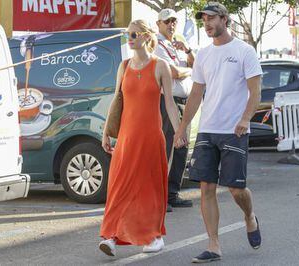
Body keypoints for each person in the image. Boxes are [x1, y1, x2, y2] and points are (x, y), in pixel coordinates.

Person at [174, 2, 263, 263]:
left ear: (225, 19)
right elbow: (195, 94)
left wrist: (246, 118)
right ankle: (213, 245)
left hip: (234, 129)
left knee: (236, 189)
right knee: (206, 188)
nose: (207, 23)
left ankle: (249, 217)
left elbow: (255, 91)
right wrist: (181, 128)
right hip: (208, 129)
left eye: (211, 18)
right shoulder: (203, 54)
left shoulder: (244, 51)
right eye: (204, 20)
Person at [99, 19, 183, 256]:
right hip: (126, 139)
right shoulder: (123, 66)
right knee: (118, 188)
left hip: (150, 138)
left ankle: (154, 236)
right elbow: (116, 101)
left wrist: (179, 131)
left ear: (146, 37)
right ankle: (110, 236)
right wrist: (106, 132)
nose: (130, 38)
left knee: (149, 189)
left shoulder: (160, 66)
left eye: (134, 34)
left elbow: (169, 104)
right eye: (128, 34)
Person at [155, 8, 194, 210]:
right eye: (167, 21)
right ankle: (161, 196)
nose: (171, 24)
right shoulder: (157, 44)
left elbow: (197, 65)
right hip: (168, 101)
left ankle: (172, 193)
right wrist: (189, 71)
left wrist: (187, 51)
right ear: (158, 24)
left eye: (174, 21)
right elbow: (175, 72)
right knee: (168, 147)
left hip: (184, 102)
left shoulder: (177, 44)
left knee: (182, 147)